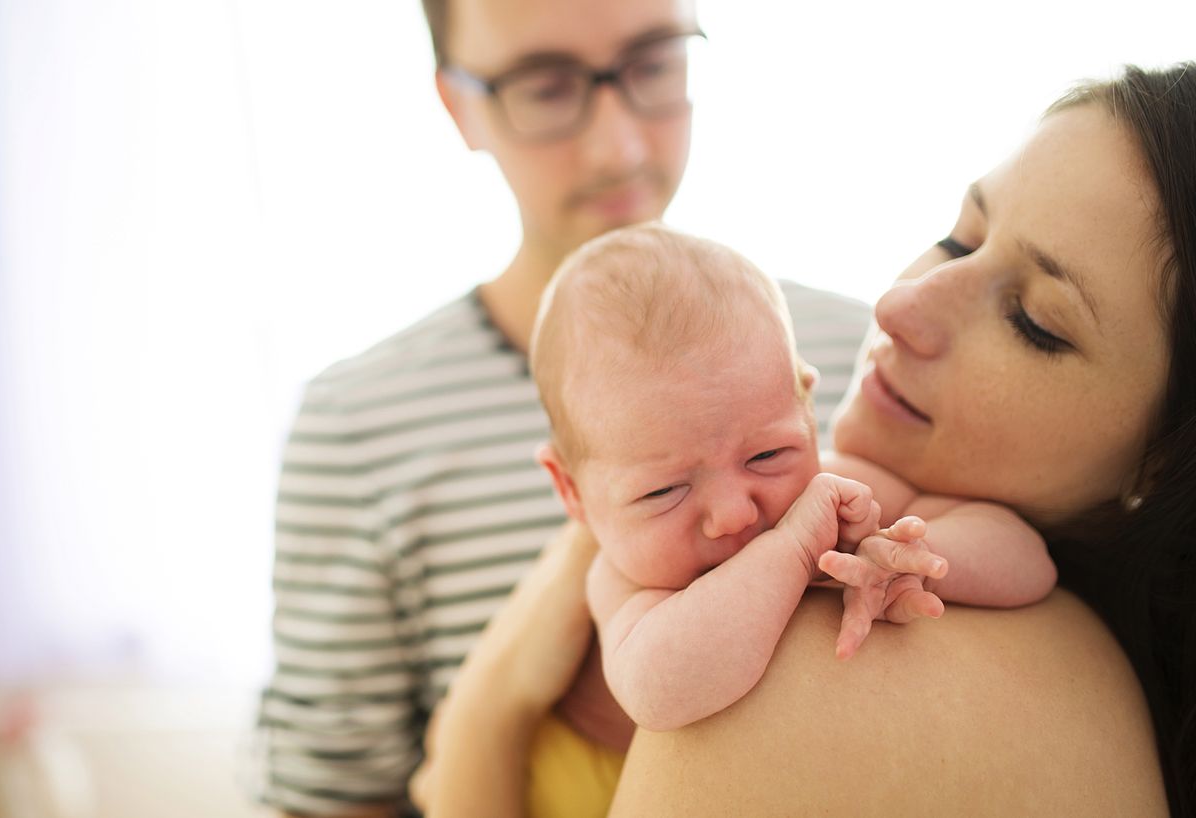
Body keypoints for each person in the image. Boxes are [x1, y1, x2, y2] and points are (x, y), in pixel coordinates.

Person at [414, 63, 1196, 817]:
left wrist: (916, 555)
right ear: (573, 495)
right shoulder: (630, 573)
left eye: (1035, 322)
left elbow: (1022, 559)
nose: (895, 305)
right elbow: (660, 686)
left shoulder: (847, 492)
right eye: (957, 240)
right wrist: (790, 553)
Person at [250, 1, 872, 815]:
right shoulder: (358, 426)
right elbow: (329, 800)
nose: (620, 145)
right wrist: (492, 702)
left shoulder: (861, 350)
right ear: (458, 105)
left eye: (654, 64)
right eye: (546, 88)